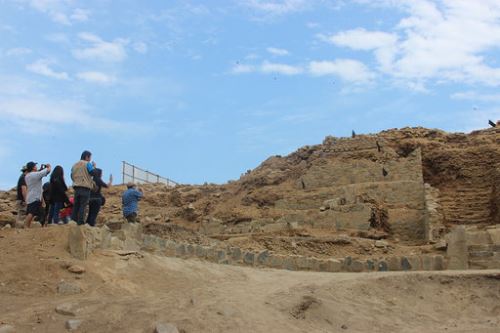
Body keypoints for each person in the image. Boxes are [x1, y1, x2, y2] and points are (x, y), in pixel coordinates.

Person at [70, 150, 95, 225]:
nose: (90, 159)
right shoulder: (87, 164)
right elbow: (92, 172)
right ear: (87, 157)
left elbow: (71, 175)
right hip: (85, 187)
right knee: (83, 205)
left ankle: (73, 221)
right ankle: (80, 222)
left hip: (76, 187)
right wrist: (94, 167)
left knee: (76, 205)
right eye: (90, 157)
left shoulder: (74, 165)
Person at [24, 162, 51, 228]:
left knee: (35, 213)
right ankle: (26, 226)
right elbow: (48, 171)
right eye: (35, 166)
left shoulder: (28, 176)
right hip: (35, 197)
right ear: (33, 167)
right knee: (31, 213)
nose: (36, 167)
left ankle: (28, 226)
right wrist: (49, 166)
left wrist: (40, 170)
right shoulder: (34, 175)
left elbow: (37, 174)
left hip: (31, 197)